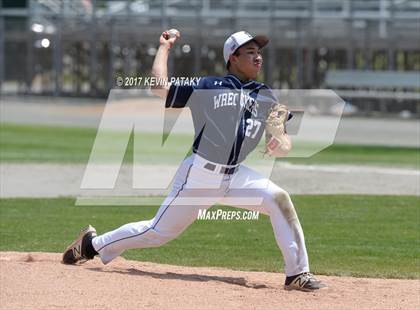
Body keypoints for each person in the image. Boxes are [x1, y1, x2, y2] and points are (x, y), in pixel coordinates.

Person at [62, 30, 326, 292]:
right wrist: (164, 48)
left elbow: (282, 139)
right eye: (250, 52)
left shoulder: (267, 95)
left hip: (235, 176)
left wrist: (280, 143)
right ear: (232, 58)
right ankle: (91, 245)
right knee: (157, 232)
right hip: (200, 175)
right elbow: (159, 87)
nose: (258, 58)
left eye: (259, 52)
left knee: (279, 199)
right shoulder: (208, 86)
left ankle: (297, 274)